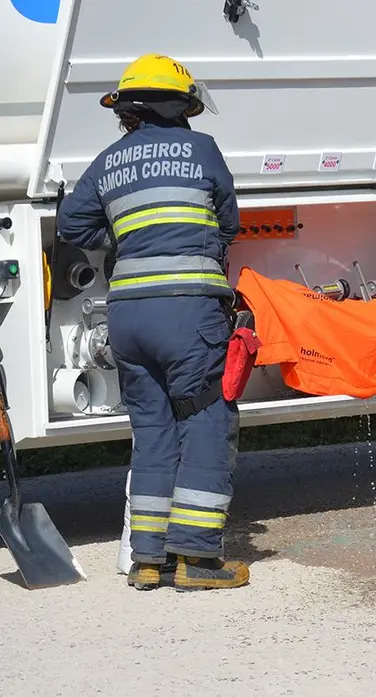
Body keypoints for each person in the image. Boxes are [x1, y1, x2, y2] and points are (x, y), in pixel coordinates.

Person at [56, 54, 248, 592]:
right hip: (188, 311)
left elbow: (72, 223)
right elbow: (229, 222)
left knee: (153, 430)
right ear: (181, 106)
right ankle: (197, 560)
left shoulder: (110, 161)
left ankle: (148, 559)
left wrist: (121, 240)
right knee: (207, 420)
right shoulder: (202, 150)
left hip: (127, 316)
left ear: (129, 111)